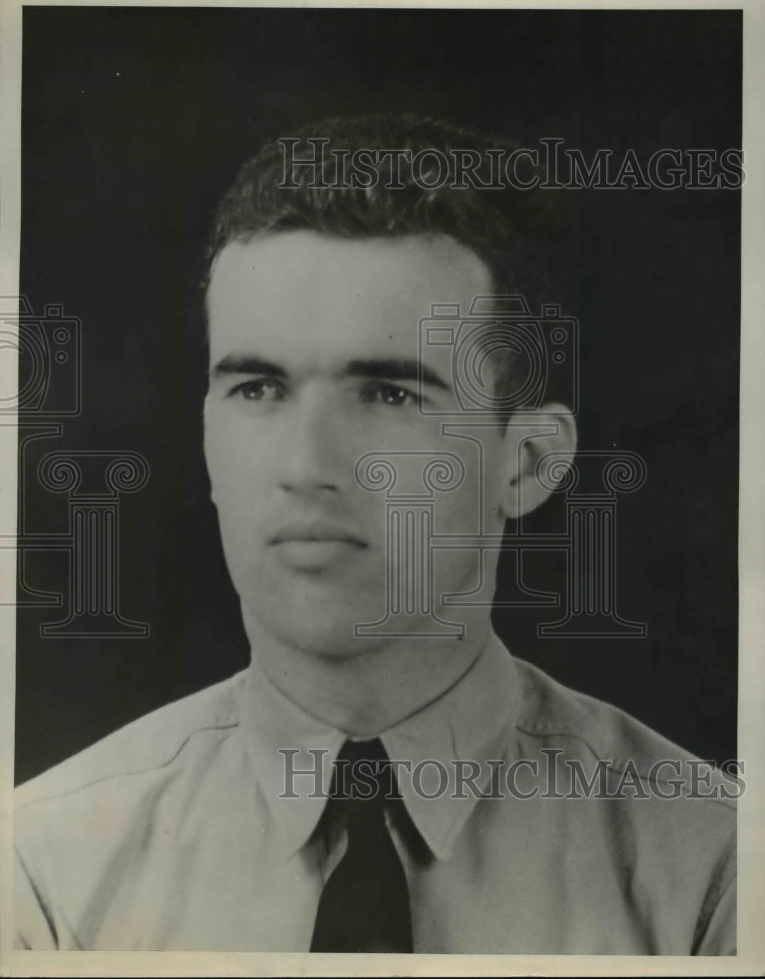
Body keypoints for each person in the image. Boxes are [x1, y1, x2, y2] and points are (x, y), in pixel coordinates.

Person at [15, 114, 736, 954]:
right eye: (257, 388)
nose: (304, 463)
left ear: (529, 461)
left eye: (389, 394)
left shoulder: (712, 873)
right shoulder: (42, 871)